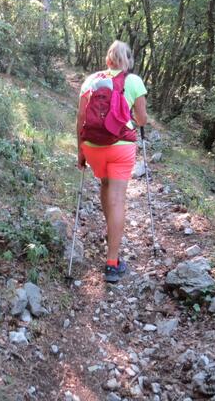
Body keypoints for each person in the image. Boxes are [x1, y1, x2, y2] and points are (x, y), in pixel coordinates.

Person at [76, 40, 148, 283]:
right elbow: (142, 119)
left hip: (92, 146)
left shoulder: (91, 80)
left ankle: (112, 231)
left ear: (108, 58)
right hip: (120, 147)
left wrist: (80, 151)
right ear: (128, 60)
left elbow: (81, 118)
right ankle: (112, 263)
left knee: (105, 185)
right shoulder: (134, 81)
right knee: (117, 199)